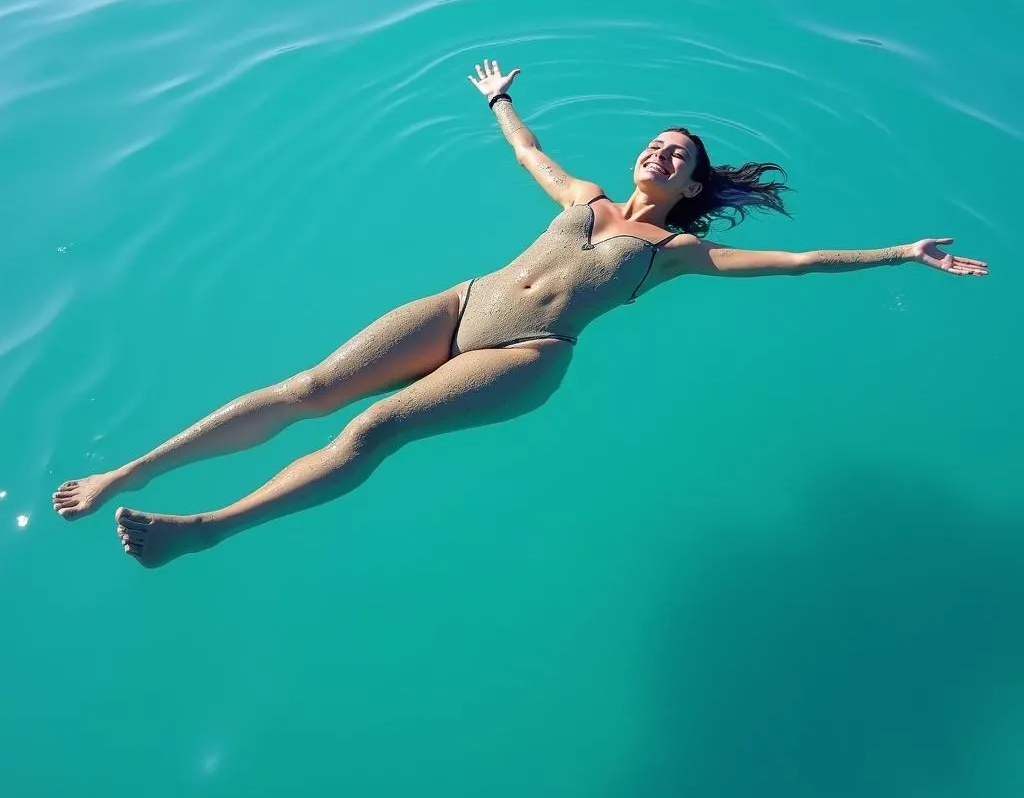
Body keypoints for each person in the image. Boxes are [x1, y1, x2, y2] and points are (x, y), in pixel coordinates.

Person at [52, 59, 988, 567]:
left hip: (528, 355)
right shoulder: (581, 194)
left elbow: (796, 261)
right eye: (657, 144)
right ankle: (126, 470)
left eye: (678, 155)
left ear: (696, 182)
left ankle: (207, 527)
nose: (661, 154)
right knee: (310, 388)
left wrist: (901, 252)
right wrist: (503, 101)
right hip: (462, 304)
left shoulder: (676, 253)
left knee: (373, 427)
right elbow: (530, 151)